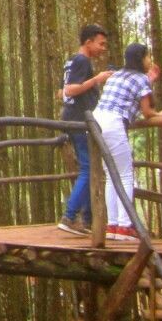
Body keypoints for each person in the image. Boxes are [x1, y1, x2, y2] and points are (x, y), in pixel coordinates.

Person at [93, 42, 162, 240]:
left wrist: (149, 80)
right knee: (125, 175)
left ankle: (113, 225)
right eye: (147, 57)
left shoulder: (117, 75)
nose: (150, 60)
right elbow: (147, 112)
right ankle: (125, 226)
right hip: (113, 123)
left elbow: (130, 93)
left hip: (95, 122)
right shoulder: (141, 80)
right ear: (141, 59)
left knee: (111, 175)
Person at [57, 24, 112, 235]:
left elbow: (62, 91)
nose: (103, 48)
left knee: (92, 168)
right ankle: (70, 216)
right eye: (101, 44)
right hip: (79, 120)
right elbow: (70, 90)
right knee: (88, 169)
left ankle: (88, 220)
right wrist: (97, 79)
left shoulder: (72, 61)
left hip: (76, 118)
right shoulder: (81, 60)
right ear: (88, 42)